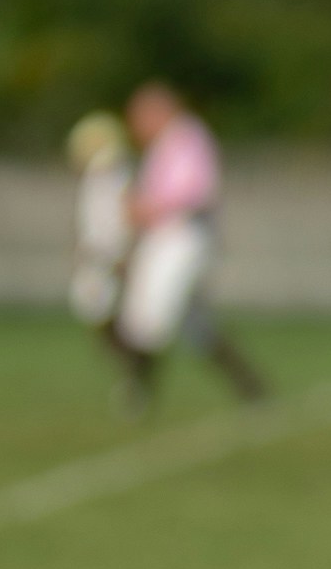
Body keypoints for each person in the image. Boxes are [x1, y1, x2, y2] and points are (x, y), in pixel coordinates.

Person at [113, 82, 269, 408]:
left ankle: (136, 392)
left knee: (151, 311)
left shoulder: (186, 138)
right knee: (193, 325)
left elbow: (196, 191)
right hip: (168, 236)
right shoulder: (166, 144)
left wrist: (148, 207)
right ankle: (251, 387)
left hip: (183, 237)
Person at [64, 108, 134, 359]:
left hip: (112, 255)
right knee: (95, 311)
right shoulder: (94, 180)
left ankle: (136, 369)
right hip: (97, 255)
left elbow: (120, 219)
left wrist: (124, 252)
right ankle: (133, 369)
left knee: (119, 315)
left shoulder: (114, 177)